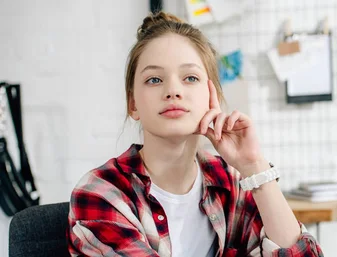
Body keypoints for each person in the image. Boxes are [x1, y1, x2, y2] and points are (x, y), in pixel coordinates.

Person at [67, 11, 323, 257]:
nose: (173, 91)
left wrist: (254, 166)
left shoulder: (231, 182)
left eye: (190, 77)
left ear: (213, 98)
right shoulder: (100, 194)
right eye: (154, 80)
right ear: (133, 104)